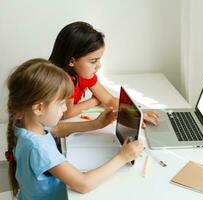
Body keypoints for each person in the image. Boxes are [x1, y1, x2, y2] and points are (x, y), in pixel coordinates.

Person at [6, 58, 144, 200]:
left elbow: (56, 129)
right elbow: (83, 184)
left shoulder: (23, 122)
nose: (65, 108)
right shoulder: (39, 148)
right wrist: (122, 157)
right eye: (61, 104)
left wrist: (95, 124)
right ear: (39, 108)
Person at [49, 21, 159, 128]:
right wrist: (94, 101)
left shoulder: (83, 74)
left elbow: (109, 100)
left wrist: (137, 113)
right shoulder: (63, 81)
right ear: (71, 61)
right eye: (93, 61)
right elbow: (66, 113)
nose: (99, 66)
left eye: (99, 60)